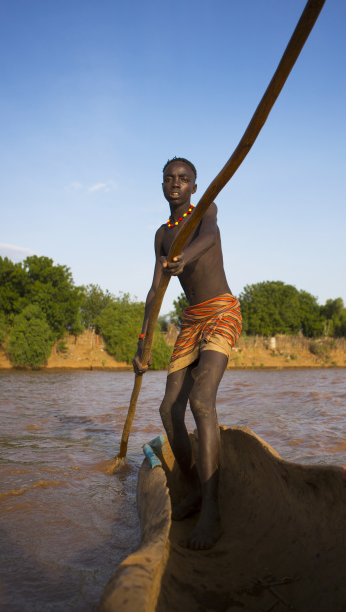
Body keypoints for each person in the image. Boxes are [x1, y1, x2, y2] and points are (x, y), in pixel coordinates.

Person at [133, 156, 242, 550]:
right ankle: (195, 487)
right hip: (191, 320)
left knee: (200, 400)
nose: (176, 183)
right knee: (168, 410)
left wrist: (185, 257)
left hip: (220, 311)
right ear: (162, 185)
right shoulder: (163, 235)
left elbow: (209, 238)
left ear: (194, 186)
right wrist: (142, 344)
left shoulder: (205, 210)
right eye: (169, 178)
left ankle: (211, 511)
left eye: (184, 179)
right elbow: (154, 292)